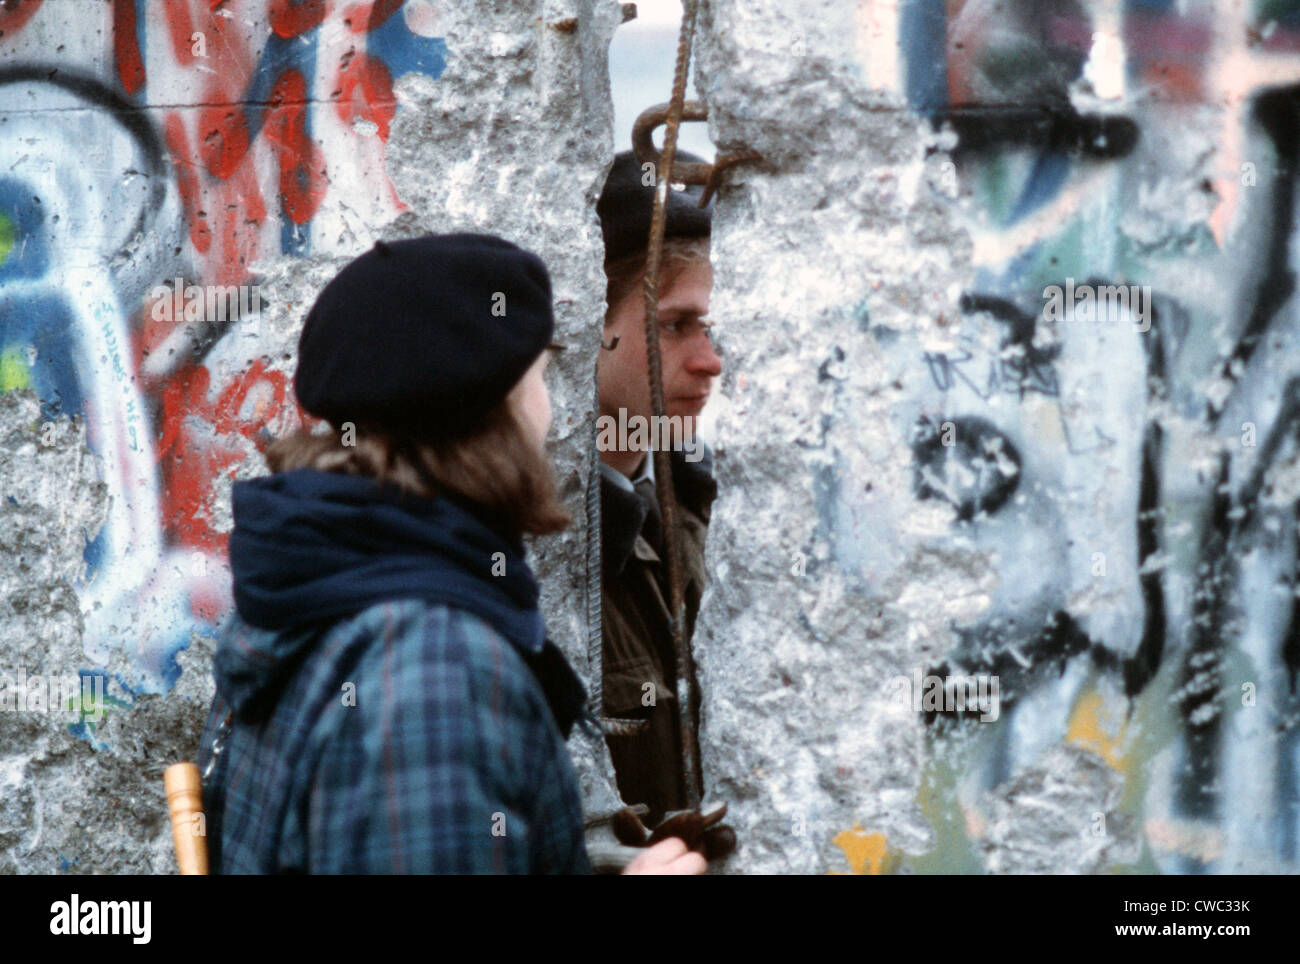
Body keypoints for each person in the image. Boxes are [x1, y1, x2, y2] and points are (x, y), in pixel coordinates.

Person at [197, 233, 704, 874]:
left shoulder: (317, 586)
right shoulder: (432, 668)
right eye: (541, 379)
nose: (550, 411)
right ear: (495, 405)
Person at [595, 151, 723, 826]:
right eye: (675, 327)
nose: (711, 363)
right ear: (591, 327)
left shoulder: (708, 513)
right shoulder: (538, 551)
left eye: (713, 329)